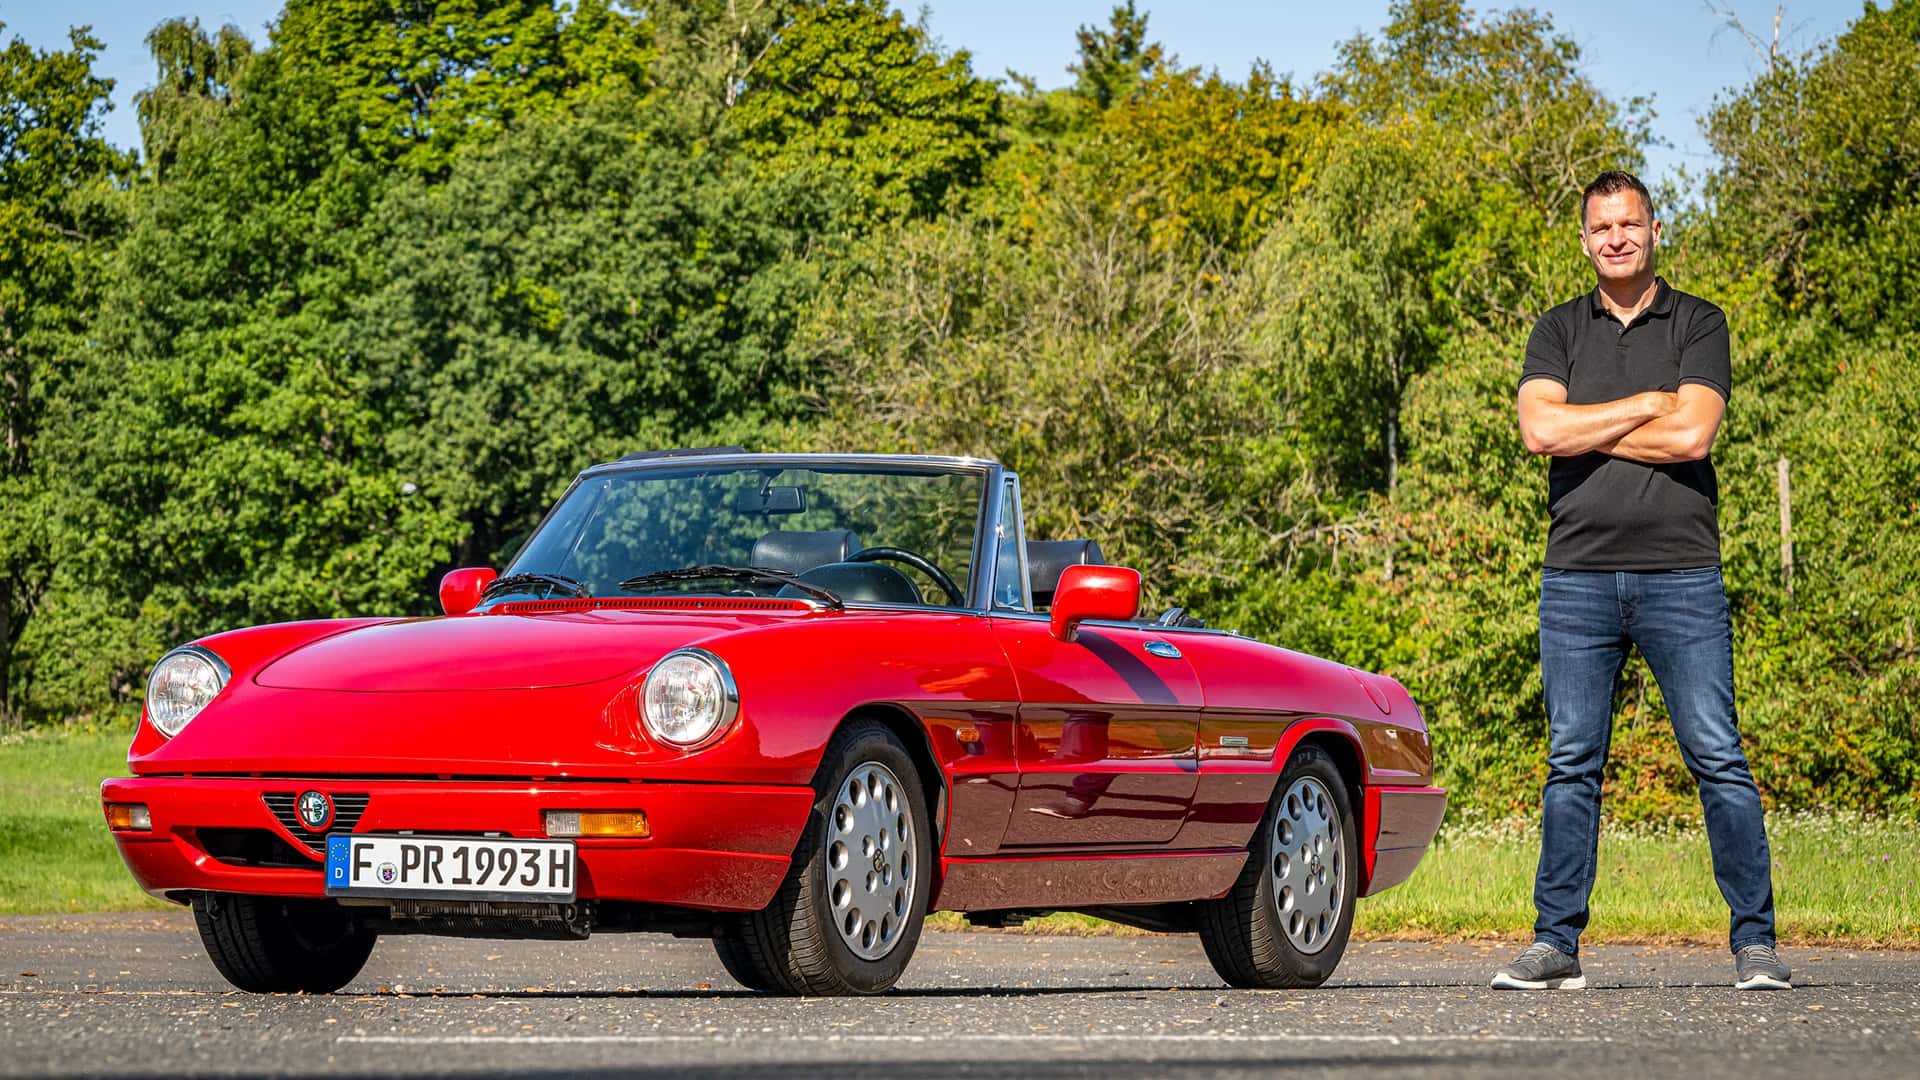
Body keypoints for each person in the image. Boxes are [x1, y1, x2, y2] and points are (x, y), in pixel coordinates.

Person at [1495, 170, 1789, 992]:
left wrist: (1585, 428)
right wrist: (1645, 403)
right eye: (1602, 228)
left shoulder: (1699, 321)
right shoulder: (1557, 329)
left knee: (1717, 756)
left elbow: (1692, 436)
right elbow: (1535, 429)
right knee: (1571, 764)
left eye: (1631, 224)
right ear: (1585, 240)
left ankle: (1756, 945)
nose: (1616, 238)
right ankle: (1555, 946)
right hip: (1576, 578)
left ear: (1656, 230)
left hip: (1682, 576)